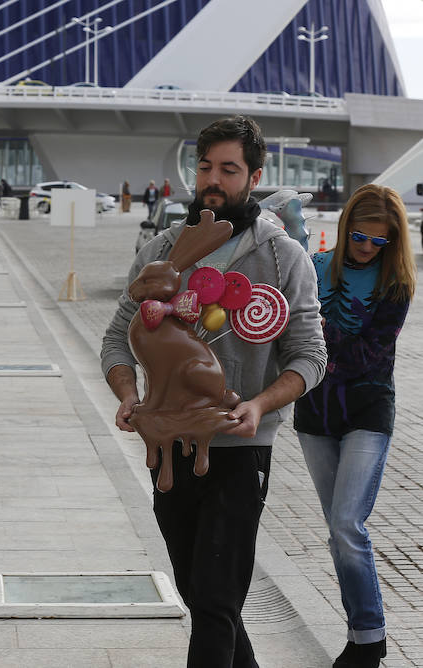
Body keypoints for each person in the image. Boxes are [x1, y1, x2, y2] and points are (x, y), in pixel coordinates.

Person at [101, 115, 326, 667]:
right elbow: (115, 339)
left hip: (239, 447)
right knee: (203, 598)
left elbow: (310, 355)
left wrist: (259, 404)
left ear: (254, 175)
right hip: (167, 449)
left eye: (228, 169)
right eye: (205, 167)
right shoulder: (163, 250)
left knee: (218, 600)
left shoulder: (282, 257)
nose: (213, 180)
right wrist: (127, 393)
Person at [294, 184, 415, 668]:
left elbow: (369, 356)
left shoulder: (396, 285)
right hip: (315, 416)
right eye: (360, 237)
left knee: (348, 524)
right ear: (345, 229)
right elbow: (285, 331)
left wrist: (312, 341)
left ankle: (368, 638)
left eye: (379, 242)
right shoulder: (314, 267)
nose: (367, 248)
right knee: (337, 531)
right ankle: (363, 634)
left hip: (368, 412)